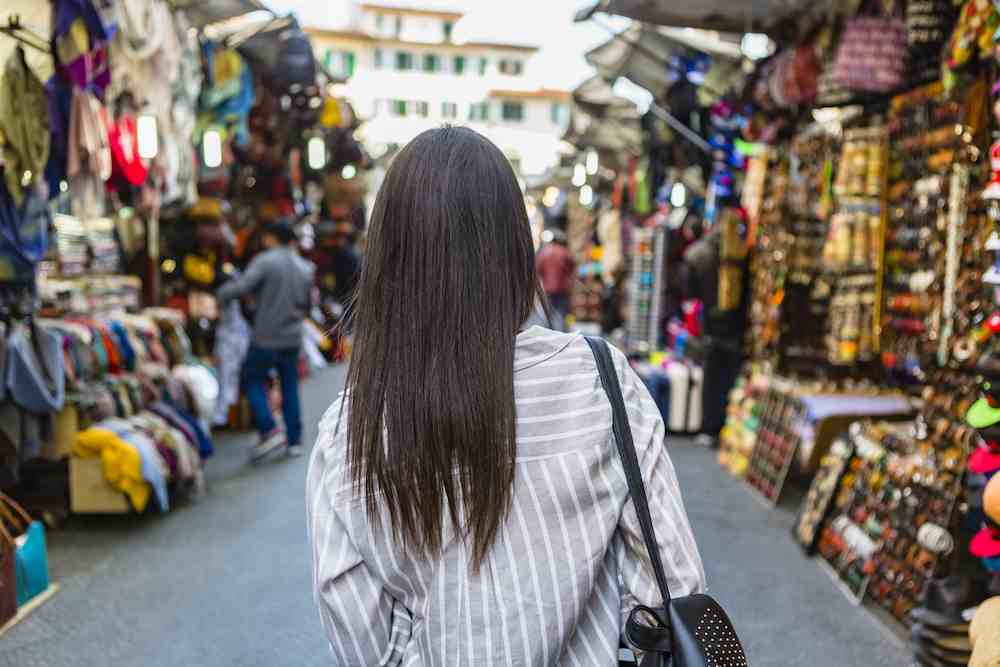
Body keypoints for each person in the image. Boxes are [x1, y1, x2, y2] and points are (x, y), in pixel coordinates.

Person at [306, 127, 704, 665]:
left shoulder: (349, 428)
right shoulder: (601, 381)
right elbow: (671, 585)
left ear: (387, 259)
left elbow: (364, 643)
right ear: (517, 245)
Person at [217, 219, 315, 460]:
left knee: (252, 379)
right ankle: (294, 440)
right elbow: (307, 305)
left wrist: (221, 294)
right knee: (290, 385)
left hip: (266, 336)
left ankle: (269, 427)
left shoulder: (265, 261)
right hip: (292, 337)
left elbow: (242, 287)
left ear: (271, 237)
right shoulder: (305, 267)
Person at [535, 228, 576, 330]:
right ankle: (561, 333)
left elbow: (538, 270)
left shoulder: (543, 253)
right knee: (562, 312)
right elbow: (572, 269)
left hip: (548, 289)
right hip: (562, 288)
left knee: (548, 313)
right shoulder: (564, 252)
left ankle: (550, 332)